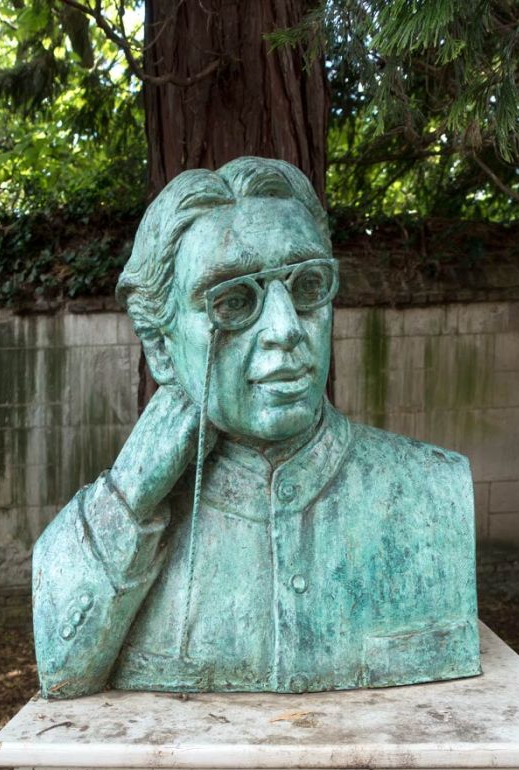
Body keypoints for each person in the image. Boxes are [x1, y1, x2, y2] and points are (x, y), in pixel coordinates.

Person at [32, 157, 480, 698]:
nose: (285, 328)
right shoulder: (122, 518)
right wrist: (128, 498)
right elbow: (63, 672)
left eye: (308, 284)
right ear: (159, 345)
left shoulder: (433, 492)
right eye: (232, 300)